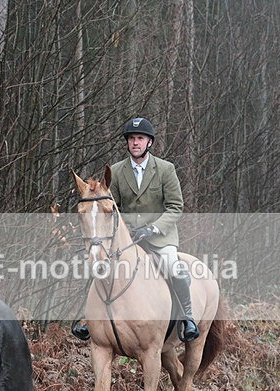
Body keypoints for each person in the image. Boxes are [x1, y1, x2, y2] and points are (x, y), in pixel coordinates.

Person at [73, 117, 199, 342]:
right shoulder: (116, 171)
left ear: (149, 142)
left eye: (140, 138)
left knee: (173, 267)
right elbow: (112, 207)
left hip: (160, 238)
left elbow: (175, 207)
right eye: (131, 138)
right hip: (128, 238)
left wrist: (154, 228)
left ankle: (187, 318)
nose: (135, 142)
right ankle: (88, 319)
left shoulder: (165, 169)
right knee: (99, 265)